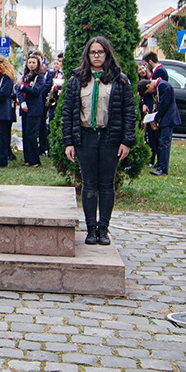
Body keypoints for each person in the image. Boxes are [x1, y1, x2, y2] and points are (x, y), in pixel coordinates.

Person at [61, 36, 136, 246]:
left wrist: (126, 141)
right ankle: (91, 229)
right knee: (89, 184)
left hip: (110, 137)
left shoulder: (119, 80)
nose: (96, 56)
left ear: (107, 54)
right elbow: (68, 112)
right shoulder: (77, 80)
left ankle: (104, 228)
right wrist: (69, 142)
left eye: (100, 52)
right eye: (93, 52)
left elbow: (129, 112)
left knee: (106, 184)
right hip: (86, 137)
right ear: (87, 55)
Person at [139, 76, 181, 176]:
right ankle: (160, 163)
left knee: (164, 142)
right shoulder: (159, 87)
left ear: (148, 86)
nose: (150, 93)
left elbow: (164, 105)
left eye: (148, 92)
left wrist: (155, 118)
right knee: (159, 141)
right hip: (163, 118)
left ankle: (163, 168)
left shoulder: (164, 86)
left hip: (168, 118)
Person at [17, 52, 52, 166]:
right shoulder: (25, 76)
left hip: (35, 108)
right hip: (25, 107)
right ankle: (27, 159)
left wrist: (23, 87)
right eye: (29, 62)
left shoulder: (40, 77)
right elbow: (17, 89)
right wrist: (22, 102)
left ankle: (35, 160)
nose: (31, 64)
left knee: (31, 134)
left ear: (38, 64)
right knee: (25, 134)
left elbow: (36, 91)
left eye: (33, 62)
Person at [136, 62, 158, 168]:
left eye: (143, 68)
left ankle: (152, 159)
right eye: (140, 69)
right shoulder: (137, 83)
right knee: (144, 132)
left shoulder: (151, 80)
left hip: (151, 108)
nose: (143, 71)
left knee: (151, 134)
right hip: (143, 109)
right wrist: (142, 103)